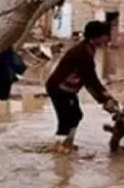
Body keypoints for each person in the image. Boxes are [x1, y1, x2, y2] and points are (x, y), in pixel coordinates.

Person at [45, 20, 119, 153]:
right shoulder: (83, 53)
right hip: (59, 88)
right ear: (97, 36)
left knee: (76, 115)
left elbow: (90, 79)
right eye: (106, 35)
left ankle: (68, 143)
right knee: (66, 117)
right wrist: (105, 99)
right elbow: (90, 79)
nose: (108, 38)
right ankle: (58, 146)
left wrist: (105, 98)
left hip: (68, 89)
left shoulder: (88, 48)